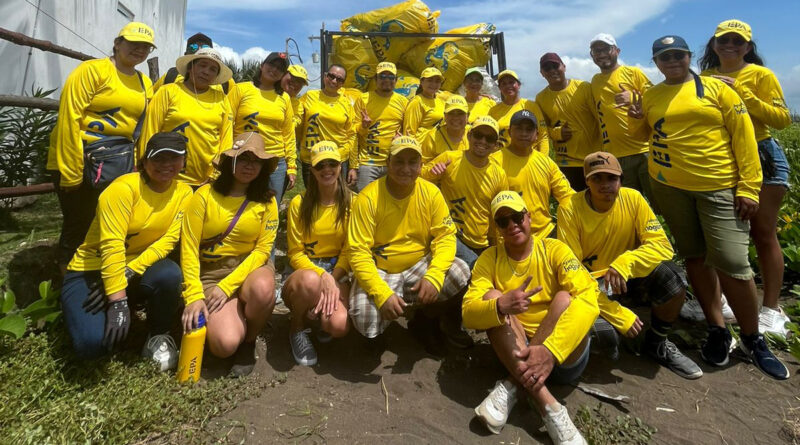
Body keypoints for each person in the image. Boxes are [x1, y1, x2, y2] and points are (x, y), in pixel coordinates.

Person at [627, 35, 788, 380]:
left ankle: (752, 338)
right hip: (671, 188)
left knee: (732, 262)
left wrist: (748, 188)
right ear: (656, 63)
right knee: (695, 257)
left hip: (718, 186)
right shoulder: (653, 95)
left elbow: (745, 138)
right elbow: (646, 135)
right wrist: (635, 115)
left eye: (677, 55)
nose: (671, 61)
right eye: (664, 57)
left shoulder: (718, 90)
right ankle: (717, 328)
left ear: (688, 57)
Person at [465, 191, 597, 444]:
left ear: (529, 217)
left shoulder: (555, 249)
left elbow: (589, 299)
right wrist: (502, 304)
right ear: (497, 228)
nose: (512, 225)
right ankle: (549, 406)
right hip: (515, 348)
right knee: (492, 298)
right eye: (503, 221)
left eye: (516, 217)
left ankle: (513, 383)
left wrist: (550, 350)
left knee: (564, 299)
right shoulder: (488, 259)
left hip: (562, 357)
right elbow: (468, 314)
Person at [558, 152, 702, 379]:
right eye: (597, 179)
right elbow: (572, 274)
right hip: (593, 285)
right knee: (606, 339)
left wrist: (625, 263)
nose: (605, 185)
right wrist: (616, 314)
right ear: (587, 181)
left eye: (611, 178)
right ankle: (615, 328)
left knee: (673, 279)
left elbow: (662, 247)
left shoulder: (633, 199)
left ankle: (658, 342)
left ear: (621, 179)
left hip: (629, 276)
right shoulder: (569, 209)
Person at [60, 132, 192, 366]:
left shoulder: (184, 192)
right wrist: (118, 300)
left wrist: (124, 276)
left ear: (184, 162)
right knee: (92, 346)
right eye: (159, 159)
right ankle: (97, 312)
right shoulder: (122, 189)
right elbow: (112, 244)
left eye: (174, 158)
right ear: (145, 160)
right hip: (91, 269)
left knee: (169, 273)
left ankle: (158, 334)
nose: (166, 165)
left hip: (133, 269)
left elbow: (168, 241)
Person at [699, 19, 793, 338]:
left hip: (762, 154)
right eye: (724, 40)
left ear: (748, 48)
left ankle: (771, 308)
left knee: (763, 233)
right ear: (714, 44)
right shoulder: (704, 78)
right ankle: (725, 300)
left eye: (738, 42)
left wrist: (740, 92)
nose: (730, 45)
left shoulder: (760, 75)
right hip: (724, 158)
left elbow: (781, 119)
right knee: (723, 234)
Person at [348, 135, 471, 356]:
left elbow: (445, 237)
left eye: (412, 162)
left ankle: (424, 319)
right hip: (382, 270)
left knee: (460, 271)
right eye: (399, 161)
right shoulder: (368, 198)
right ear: (388, 163)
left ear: (421, 165)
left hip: (418, 266)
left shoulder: (431, 193)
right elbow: (358, 252)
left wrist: (434, 276)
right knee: (364, 318)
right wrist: (381, 293)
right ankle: (380, 330)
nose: (406, 168)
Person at [48, 22, 155, 267]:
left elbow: (141, 129)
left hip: (116, 163)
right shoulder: (91, 70)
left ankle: (100, 281)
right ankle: (66, 285)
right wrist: (71, 173)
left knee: (107, 224)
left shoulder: (144, 83)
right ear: (118, 43)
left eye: (146, 47)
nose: (139, 50)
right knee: (79, 224)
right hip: (79, 159)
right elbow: (69, 119)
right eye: (133, 43)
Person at [180, 132, 279, 377]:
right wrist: (193, 294)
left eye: (256, 161)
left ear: (263, 167)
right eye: (243, 158)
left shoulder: (267, 202)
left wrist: (227, 287)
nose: (249, 165)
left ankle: (249, 341)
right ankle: (234, 319)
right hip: (210, 274)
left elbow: (262, 251)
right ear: (230, 161)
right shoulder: (203, 195)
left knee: (264, 287)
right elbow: (189, 247)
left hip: (247, 271)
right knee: (224, 345)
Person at [282, 141, 354, 366]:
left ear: (340, 166)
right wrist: (322, 277)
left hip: (338, 272)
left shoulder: (353, 203)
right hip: (304, 273)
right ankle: (297, 328)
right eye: (320, 165)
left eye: (332, 163)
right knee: (311, 281)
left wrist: (331, 280)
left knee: (339, 326)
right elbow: (295, 253)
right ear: (312, 170)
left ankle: (321, 320)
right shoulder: (299, 203)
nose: (327, 169)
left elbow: (350, 250)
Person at [139, 47, 233, 187]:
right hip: (164, 179)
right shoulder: (168, 92)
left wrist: (216, 175)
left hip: (205, 182)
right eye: (202, 65)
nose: (206, 71)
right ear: (190, 68)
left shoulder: (221, 99)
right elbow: (149, 131)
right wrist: (145, 167)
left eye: (213, 69)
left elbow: (226, 140)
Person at [422, 116, 508, 268]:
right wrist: (432, 174)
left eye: (489, 138)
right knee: (476, 268)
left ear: (495, 145)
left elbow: (499, 215)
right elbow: (418, 178)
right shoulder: (449, 159)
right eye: (478, 135)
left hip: (481, 243)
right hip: (451, 235)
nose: (482, 141)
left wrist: (498, 247)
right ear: (469, 136)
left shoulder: (499, 175)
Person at [589, 33, 654, 201]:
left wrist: (633, 97)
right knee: (628, 204)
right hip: (615, 156)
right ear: (592, 56)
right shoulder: (595, 81)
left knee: (658, 203)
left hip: (644, 151)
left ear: (617, 50)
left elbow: (657, 100)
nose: (601, 54)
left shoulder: (633, 73)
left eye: (605, 49)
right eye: (596, 51)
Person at [492, 110, 574, 239]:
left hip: (547, 234)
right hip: (511, 237)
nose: (524, 134)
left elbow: (567, 197)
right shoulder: (494, 162)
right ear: (509, 132)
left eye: (529, 129)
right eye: (519, 129)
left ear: (536, 134)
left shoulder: (546, 162)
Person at [228, 51, 296, 204]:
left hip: (274, 162)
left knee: (270, 207)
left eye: (280, 68)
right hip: (243, 157)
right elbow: (226, 124)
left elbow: (288, 134)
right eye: (272, 64)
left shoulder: (284, 98)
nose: (274, 69)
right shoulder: (241, 90)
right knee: (237, 204)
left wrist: (291, 166)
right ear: (262, 65)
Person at [535, 53, 601, 191]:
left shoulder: (584, 87)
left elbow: (601, 118)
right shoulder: (541, 98)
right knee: (573, 206)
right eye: (547, 68)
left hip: (594, 159)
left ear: (564, 67)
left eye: (555, 65)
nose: (552, 70)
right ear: (542, 73)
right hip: (566, 163)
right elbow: (542, 131)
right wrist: (557, 133)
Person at [349, 62, 409, 191]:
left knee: (391, 202)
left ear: (396, 80)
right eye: (382, 76)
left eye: (391, 77)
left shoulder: (403, 102)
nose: (387, 80)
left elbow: (408, 131)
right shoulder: (363, 99)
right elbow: (352, 134)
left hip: (393, 163)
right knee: (364, 202)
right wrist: (353, 166)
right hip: (367, 164)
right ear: (375, 79)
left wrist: (402, 138)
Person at [298, 64, 357, 187]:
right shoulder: (308, 97)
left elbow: (352, 135)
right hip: (312, 158)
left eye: (339, 79)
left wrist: (353, 166)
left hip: (338, 158)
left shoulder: (346, 103)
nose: (334, 81)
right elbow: (295, 122)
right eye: (332, 76)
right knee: (312, 200)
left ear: (343, 83)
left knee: (338, 199)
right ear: (325, 76)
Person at [487, 70, 549, 154]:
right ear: (499, 88)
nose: (508, 86)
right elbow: (489, 137)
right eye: (504, 84)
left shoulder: (531, 106)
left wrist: (543, 160)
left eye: (511, 82)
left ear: (518, 85)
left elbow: (543, 136)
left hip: (528, 159)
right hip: (502, 160)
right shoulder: (493, 110)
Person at [151, 32, 234, 94]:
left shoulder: (225, 81)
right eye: (193, 48)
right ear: (186, 55)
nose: (199, 50)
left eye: (205, 48)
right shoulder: (171, 75)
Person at [419, 95, 470, 167]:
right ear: (445, 116)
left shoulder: (475, 134)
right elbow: (422, 167)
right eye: (451, 113)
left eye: (460, 113)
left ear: (468, 116)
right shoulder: (433, 137)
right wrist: (434, 171)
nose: (455, 118)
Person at [403, 67, 445, 139]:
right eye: (430, 80)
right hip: (422, 147)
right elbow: (409, 133)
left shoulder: (441, 102)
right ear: (421, 82)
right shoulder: (417, 102)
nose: (433, 84)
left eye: (437, 81)